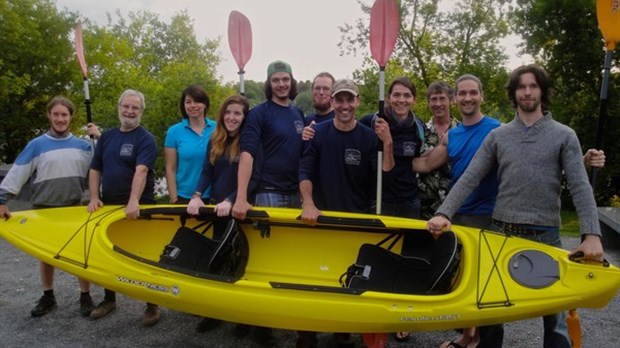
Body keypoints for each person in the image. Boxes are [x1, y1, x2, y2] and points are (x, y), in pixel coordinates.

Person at [427, 64, 605, 348]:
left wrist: (592, 235)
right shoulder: (498, 136)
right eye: (521, 86)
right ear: (514, 93)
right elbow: (470, 177)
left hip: (546, 236)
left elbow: (580, 185)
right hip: (502, 234)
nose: (527, 91)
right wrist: (444, 213)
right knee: (491, 312)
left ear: (542, 91)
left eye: (533, 85)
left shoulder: (564, 135)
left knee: (555, 319)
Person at [299, 79, 380, 348]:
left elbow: (377, 180)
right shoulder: (318, 133)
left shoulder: (369, 137)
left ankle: (342, 329)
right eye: (339, 100)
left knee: (348, 277)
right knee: (313, 276)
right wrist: (308, 203)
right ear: (332, 102)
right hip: (320, 218)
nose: (344, 105)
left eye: (350, 99)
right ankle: (307, 332)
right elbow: (305, 171)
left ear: (357, 101)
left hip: (355, 220)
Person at [0, 96, 95, 318]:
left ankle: (85, 296)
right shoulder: (36, 145)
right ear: (49, 116)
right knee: (46, 256)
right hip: (45, 208)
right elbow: (18, 172)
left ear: (71, 117)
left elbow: (102, 168)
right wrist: (2, 200)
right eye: (56, 114)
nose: (60, 119)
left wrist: (99, 139)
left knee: (79, 254)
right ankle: (48, 296)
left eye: (64, 114)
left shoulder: (85, 146)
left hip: (75, 208)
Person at [231, 60, 305, 346]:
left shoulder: (299, 114)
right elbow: (247, 154)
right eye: (276, 80)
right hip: (268, 192)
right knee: (264, 260)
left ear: (292, 81)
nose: (282, 84)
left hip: (295, 194)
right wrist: (241, 197)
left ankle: (289, 318)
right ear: (269, 83)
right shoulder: (259, 114)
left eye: (285, 79)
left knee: (290, 259)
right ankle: (261, 325)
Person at [86, 89, 160, 326]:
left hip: (140, 207)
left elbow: (142, 170)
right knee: (109, 252)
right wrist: (94, 196)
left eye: (135, 108)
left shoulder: (146, 139)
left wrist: (133, 200)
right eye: (126, 106)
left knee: (145, 255)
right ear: (119, 108)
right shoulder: (106, 137)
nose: (130, 111)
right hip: (109, 206)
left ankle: (152, 304)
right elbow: (95, 168)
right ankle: (109, 299)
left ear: (141, 111)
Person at [186, 95, 250, 333]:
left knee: (240, 264)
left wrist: (231, 200)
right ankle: (214, 313)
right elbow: (206, 172)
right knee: (215, 262)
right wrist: (197, 195)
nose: (232, 117)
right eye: (228, 113)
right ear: (222, 115)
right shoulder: (216, 139)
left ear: (245, 117)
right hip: (218, 210)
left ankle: (244, 318)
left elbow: (253, 179)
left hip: (241, 210)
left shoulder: (249, 142)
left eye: (238, 113)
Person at [164, 84, 216, 204]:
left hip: (213, 196)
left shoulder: (217, 128)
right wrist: (174, 198)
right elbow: (170, 168)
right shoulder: (174, 132)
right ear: (183, 105)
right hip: (184, 197)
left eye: (197, 101)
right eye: (188, 102)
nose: (193, 105)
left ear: (205, 104)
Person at [417, 81, 461, 219]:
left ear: (451, 100)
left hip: (455, 207)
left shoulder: (461, 131)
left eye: (442, 98)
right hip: (424, 207)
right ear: (428, 103)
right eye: (433, 99)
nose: (438, 103)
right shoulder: (420, 131)